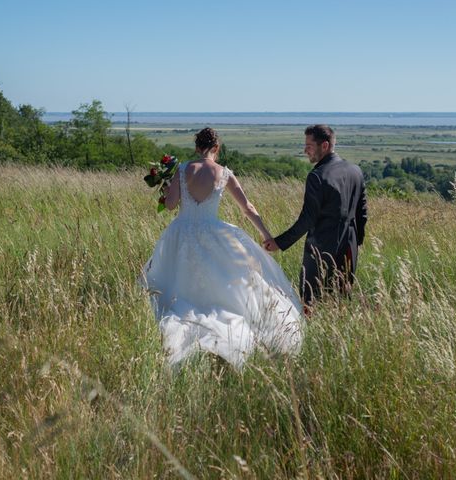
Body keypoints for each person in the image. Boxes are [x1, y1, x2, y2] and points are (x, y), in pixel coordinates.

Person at [140, 127, 303, 368]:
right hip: (212, 232)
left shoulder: (183, 170)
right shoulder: (224, 173)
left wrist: (165, 190)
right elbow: (247, 208)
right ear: (217, 148)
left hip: (181, 233)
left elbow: (172, 205)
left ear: (197, 147)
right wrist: (267, 235)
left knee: (178, 286)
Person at [263, 125, 367, 308]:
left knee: (311, 302)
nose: (305, 150)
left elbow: (307, 220)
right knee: (341, 301)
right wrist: (356, 241)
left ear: (325, 146)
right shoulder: (355, 171)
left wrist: (279, 242)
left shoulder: (317, 176)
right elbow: (362, 213)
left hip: (320, 250)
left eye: (309, 146)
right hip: (349, 248)